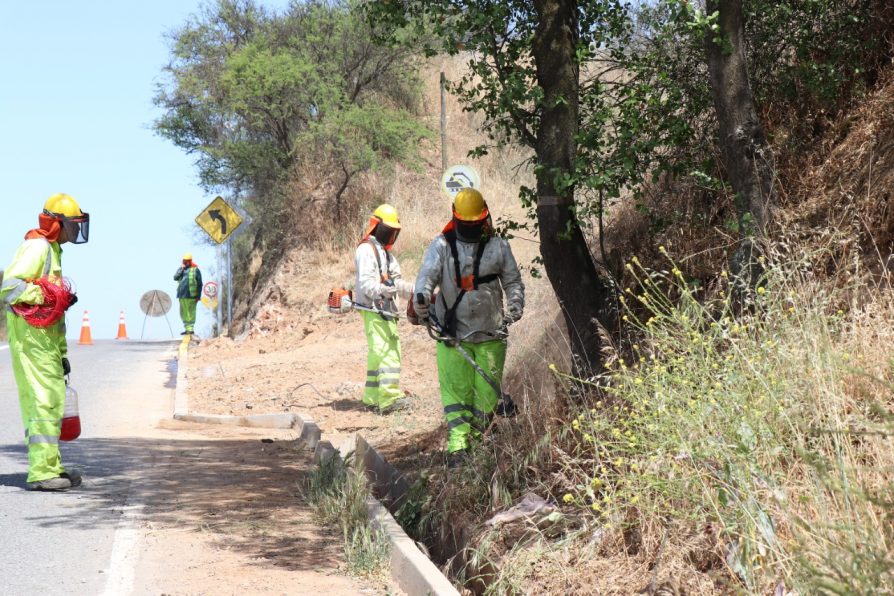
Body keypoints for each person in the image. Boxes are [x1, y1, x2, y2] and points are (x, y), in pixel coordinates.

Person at [414, 188, 524, 467]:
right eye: (469, 223)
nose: (473, 227)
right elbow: (425, 279)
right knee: (456, 393)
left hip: (491, 334)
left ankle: (476, 441)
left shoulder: (499, 247)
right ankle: (458, 447)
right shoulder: (440, 246)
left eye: (476, 223)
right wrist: (422, 301)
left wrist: (515, 305)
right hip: (453, 336)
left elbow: (512, 282)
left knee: (486, 397)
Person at [1, 193, 88, 491]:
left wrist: (62, 352)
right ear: (56, 224)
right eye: (72, 225)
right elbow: (9, 287)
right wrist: (45, 295)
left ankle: (52, 466)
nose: (76, 232)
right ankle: (41, 473)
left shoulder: (53, 250)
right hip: (31, 338)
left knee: (53, 401)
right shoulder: (37, 247)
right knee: (42, 401)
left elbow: (56, 312)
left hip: (46, 341)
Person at [355, 204, 413, 413]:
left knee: (377, 354)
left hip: (385, 309)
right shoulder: (366, 250)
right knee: (388, 352)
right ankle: (389, 399)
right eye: (388, 230)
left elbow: (397, 282)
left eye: (393, 231)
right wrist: (387, 290)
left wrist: (418, 291)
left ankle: (372, 397)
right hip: (373, 308)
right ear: (376, 226)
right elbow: (367, 286)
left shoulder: (386, 255)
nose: (390, 234)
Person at [174, 253, 202, 336]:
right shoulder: (181, 270)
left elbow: (200, 283)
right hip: (182, 295)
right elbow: (175, 278)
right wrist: (181, 269)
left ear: (190, 261)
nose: (185, 262)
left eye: (187, 261)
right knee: (183, 312)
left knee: (191, 312)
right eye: (184, 261)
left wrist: (198, 296)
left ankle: (190, 329)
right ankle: (187, 329)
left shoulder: (195, 270)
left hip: (192, 295)